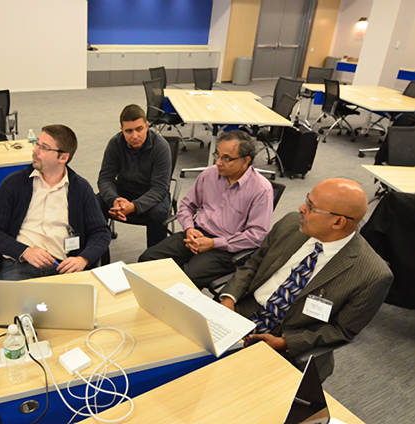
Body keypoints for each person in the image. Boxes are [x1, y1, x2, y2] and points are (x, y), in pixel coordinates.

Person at [219, 178, 393, 375]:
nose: (301, 208)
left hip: (289, 341)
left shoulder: (373, 275)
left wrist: (284, 342)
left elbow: (341, 330)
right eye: (306, 200)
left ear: (338, 222)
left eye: (311, 207)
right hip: (241, 313)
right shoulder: (291, 224)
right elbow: (254, 263)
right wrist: (228, 300)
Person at [139, 130, 273, 289]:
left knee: (184, 279)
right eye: (218, 155)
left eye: (226, 158)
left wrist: (213, 243)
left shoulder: (261, 190)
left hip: (225, 248)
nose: (218, 162)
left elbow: (256, 236)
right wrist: (189, 228)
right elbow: (187, 205)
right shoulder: (209, 174)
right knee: (147, 259)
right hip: (196, 233)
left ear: (245, 161)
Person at [0, 124, 111, 280]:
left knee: (79, 303)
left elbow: (101, 232)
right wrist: (25, 252)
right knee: (15, 303)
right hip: (19, 265)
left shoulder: (80, 189)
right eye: (37, 143)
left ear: (63, 158)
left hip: (63, 266)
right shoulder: (14, 184)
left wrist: (83, 259)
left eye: (44, 148)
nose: (35, 150)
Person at [97, 104, 171, 248]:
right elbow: (105, 178)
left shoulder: (161, 147)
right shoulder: (115, 143)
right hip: (124, 190)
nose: (135, 136)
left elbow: (160, 188)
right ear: (122, 130)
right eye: (128, 131)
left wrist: (134, 206)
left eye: (139, 129)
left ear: (147, 126)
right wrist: (114, 199)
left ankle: (155, 260)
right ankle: (99, 257)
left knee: (158, 215)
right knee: (94, 203)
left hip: (152, 193)